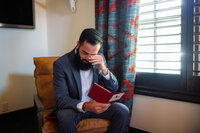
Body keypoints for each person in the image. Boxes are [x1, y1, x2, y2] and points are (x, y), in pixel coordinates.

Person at [53, 28, 129, 133]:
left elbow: (113, 88)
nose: (88, 58)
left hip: (96, 104)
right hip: (74, 108)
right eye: (85, 53)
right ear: (78, 45)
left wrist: (103, 68)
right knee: (65, 118)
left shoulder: (99, 58)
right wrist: (86, 105)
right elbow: (61, 99)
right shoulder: (61, 64)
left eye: (92, 54)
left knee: (123, 110)